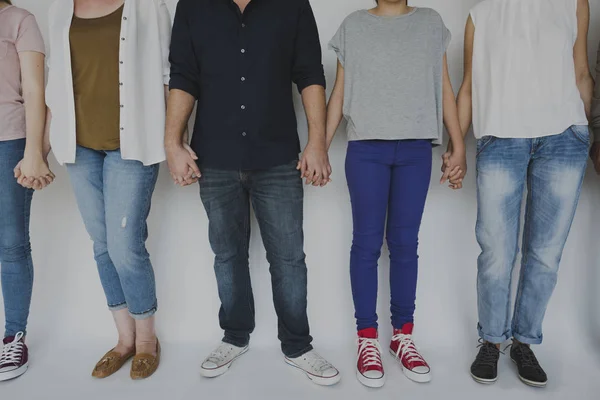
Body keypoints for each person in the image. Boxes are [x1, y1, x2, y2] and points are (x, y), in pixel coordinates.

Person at [165, 0, 340, 386]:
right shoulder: (194, 6)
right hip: (214, 155)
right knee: (227, 254)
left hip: (278, 155)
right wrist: (172, 143)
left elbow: (310, 72)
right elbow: (183, 76)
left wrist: (318, 143)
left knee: (289, 258)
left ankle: (297, 345)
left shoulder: (291, 4)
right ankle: (235, 336)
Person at [327, 0, 466, 388]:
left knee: (405, 243)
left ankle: (402, 336)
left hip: (416, 148)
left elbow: (443, 84)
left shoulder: (431, 22)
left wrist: (458, 143)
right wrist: (318, 145)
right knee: (366, 244)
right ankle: (367, 338)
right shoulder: (353, 25)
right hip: (366, 148)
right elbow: (340, 90)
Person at [456, 0, 594, 387]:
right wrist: (455, 144)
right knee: (497, 251)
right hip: (501, 137)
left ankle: (525, 341)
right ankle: (492, 340)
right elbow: (468, 87)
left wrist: (587, 135)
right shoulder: (480, 14)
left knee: (546, 253)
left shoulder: (574, 3)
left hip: (564, 137)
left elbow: (582, 72)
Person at [42, 0, 172, 380]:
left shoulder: (148, 8)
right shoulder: (59, 11)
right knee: (101, 243)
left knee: (124, 244)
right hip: (78, 148)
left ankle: (147, 340)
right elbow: (54, 86)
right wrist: (39, 151)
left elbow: (168, 76)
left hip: (132, 147)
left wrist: (173, 141)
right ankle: (124, 338)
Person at [0, 0, 52, 382]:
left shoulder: (19, 20)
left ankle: (13, 336)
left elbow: (36, 90)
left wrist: (35, 151)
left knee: (11, 242)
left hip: (8, 141)